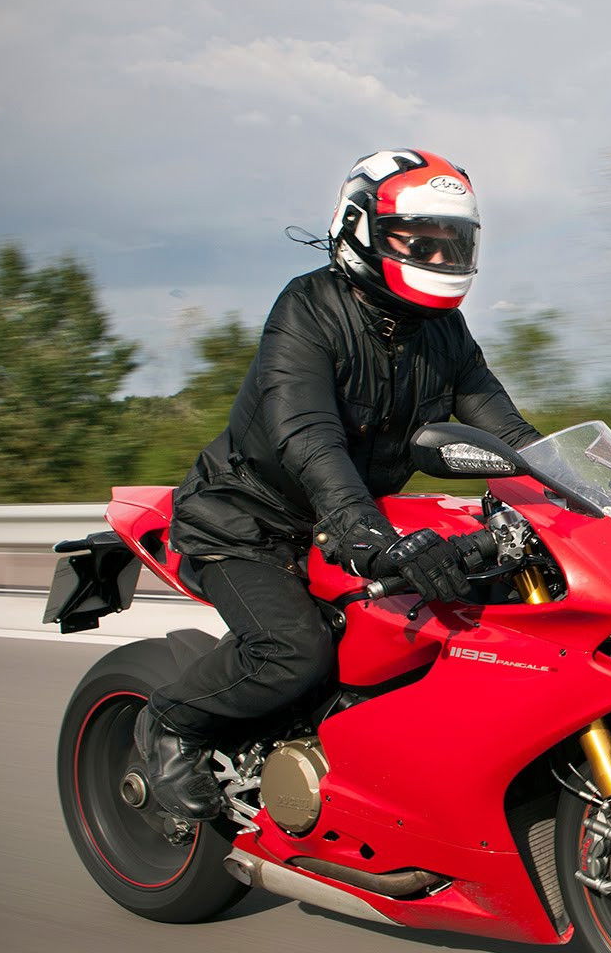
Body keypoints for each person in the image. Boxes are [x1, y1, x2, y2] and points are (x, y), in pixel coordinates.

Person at [135, 148, 542, 822]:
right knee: (294, 651)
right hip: (247, 525)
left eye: (454, 245)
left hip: (350, 521)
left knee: (477, 623)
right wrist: (366, 532)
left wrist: (604, 495)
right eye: (423, 243)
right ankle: (171, 722)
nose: (441, 259)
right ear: (361, 230)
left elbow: (512, 438)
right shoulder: (308, 309)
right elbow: (308, 437)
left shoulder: (444, 332)